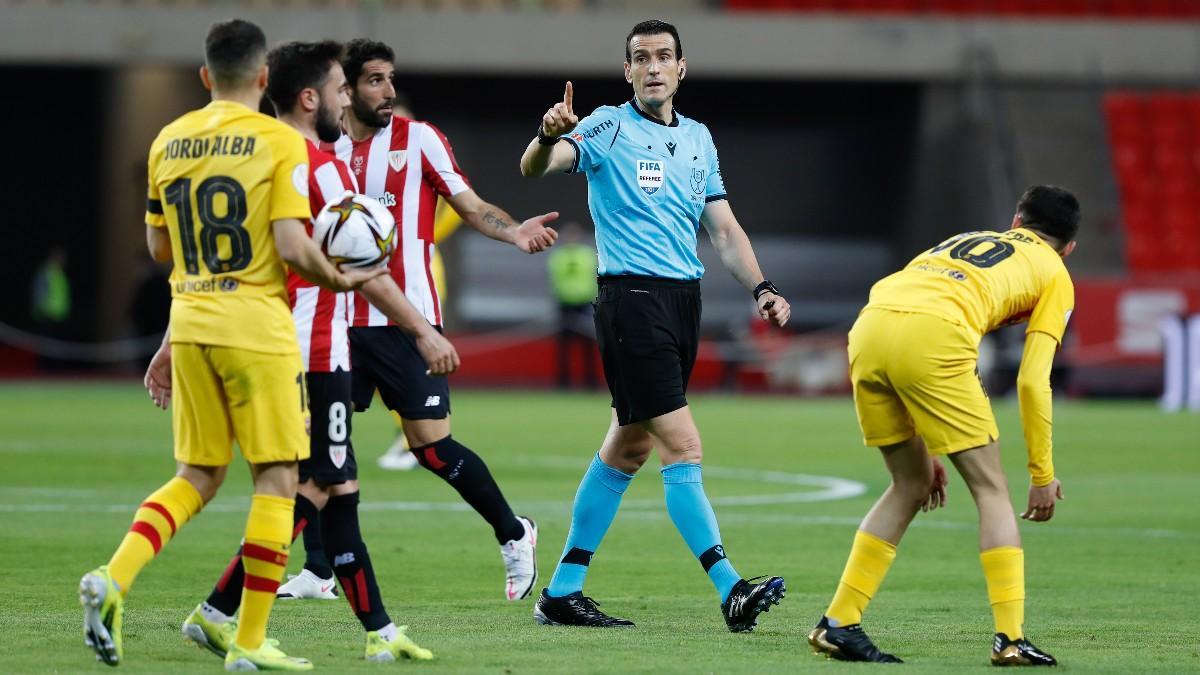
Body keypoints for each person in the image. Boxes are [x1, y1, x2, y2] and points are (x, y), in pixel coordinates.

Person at [78, 19, 382, 671]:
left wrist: (169, 333)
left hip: (190, 323)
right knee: (278, 479)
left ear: (204, 75)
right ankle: (247, 643)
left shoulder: (168, 138)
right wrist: (341, 276)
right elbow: (294, 245)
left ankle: (114, 578)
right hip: (257, 330)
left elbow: (160, 248)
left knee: (196, 476)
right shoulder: (279, 143)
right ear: (265, 78)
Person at [146, 40, 459, 664]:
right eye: (343, 88)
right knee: (313, 486)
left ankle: (378, 629)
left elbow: (227, 260)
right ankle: (220, 613)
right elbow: (356, 270)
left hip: (298, 342)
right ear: (310, 97)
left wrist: (168, 339)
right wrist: (423, 330)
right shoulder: (310, 163)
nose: (349, 100)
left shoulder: (270, 155)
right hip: (312, 349)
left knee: (337, 489)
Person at [520, 19, 793, 630]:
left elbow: (723, 229)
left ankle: (563, 591)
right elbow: (537, 166)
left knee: (629, 444)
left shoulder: (699, 138)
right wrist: (545, 135)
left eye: (662, 57)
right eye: (640, 58)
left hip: (682, 302)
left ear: (680, 68)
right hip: (631, 302)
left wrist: (763, 287)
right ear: (627, 71)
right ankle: (730, 587)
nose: (651, 67)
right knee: (683, 444)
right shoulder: (607, 125)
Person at [322, 38, 558, 602]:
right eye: (375, 80)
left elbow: (471, 206)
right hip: (336, 319)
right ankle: (317, 570)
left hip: (407, 321)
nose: (389, 91)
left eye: (390, 78)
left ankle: (513, 532)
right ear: (347, 87)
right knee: (320, 445)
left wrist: (513, 232)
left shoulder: (419, 139)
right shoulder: (321, 149)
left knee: (431, 448)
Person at [805, 185, 1078, 666]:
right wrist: (1041, 475)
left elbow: (914, 311)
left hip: (870, 328)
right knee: (993, 491)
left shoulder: (967, 238)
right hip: (935, 336)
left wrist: (928, 443)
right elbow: (1034, 380)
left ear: (1016, 221)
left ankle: (839, 623)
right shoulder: (1055, 273)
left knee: (910, 482)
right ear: (1069, 248)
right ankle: (1010, 639)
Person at [547, 222, 599, 389]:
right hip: (565, 304)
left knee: (588, 347)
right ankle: (563, 382)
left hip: (584, 304)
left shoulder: (587, 255)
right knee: (564, 347)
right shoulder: (559, 256)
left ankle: (590, 382)